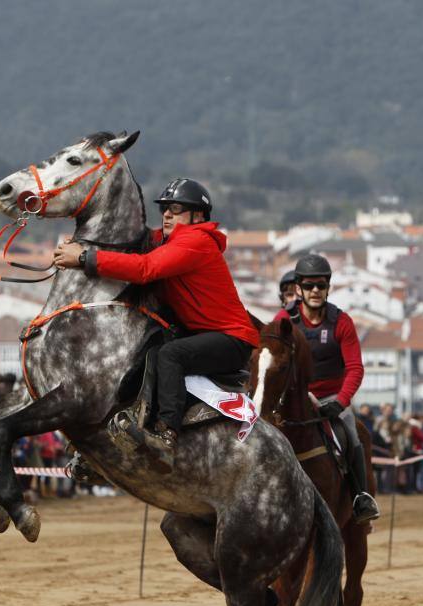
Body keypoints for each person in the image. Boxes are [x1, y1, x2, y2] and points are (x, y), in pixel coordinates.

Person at [53, 178, 259, 471]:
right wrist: (81, 240)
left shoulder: (196, 241)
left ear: (197, 217)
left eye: (176, 209)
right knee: (143, 355)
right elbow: (130, 240)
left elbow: (144, 268)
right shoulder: (170, 240)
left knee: (169, 355)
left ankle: (166, 436)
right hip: (201, 335)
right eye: (165, 209)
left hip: (231, 340)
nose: (167, 215)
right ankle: (110, 442)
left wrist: (85, 257)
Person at [275, 253, 379, 523]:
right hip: (296, 399)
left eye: (321, 285)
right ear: (298, 289)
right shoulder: (283, 320)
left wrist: (341, 401)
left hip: (332, 398)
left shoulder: (341, 322)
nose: (315, 291)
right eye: (309, 286)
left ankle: (361, 497)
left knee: (353, 437)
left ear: (328, 287)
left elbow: (355, 368)